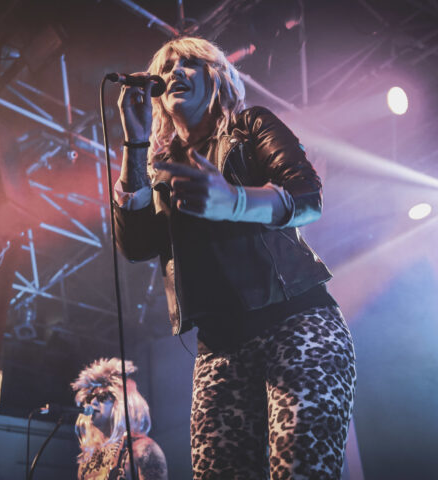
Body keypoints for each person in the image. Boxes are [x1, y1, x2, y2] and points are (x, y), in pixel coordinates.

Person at [113, 36, 356, 479]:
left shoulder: (249, 127)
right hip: (219, 349)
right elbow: (136, 246)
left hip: (297, 324)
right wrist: (134, 143)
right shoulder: (159, 169)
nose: (175, 71)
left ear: (217, 78)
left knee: (301, 469)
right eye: (166, 67)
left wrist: (234, 201)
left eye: (190, 62)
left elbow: (307, 197)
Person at [71, 357, 167, 480]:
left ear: (121, 402)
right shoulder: (87, 459)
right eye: (89, 398)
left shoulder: (142, 449)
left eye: (102, 397)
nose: (92, 402)